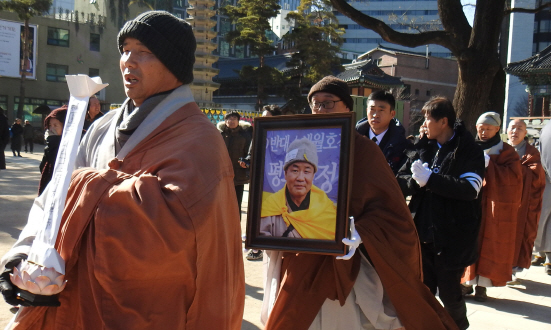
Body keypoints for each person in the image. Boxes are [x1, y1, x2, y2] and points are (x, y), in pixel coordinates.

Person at [0, 11, 244, 329]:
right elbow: (56, 197)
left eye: (145, 52)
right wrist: (24, 256)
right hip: (74, 298)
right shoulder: (102, 127)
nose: (129, 61)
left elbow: (168, 240)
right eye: (126, 49)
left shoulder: (200, 141)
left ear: (174, 64)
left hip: (151, 313)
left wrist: (86, 188)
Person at [261, 76, 458, 330]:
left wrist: (360, 232)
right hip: (301, 257)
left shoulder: (364, 150)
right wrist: (263, 228)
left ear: (347, 108)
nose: (320, 109)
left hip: (347, 261)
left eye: (328, 103)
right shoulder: (294, 142)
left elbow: (390, 210)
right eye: (315, 103)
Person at [396, 97, 484, 330]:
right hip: (422, 231)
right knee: (422, 291)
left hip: (452, 236)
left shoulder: (469, 149)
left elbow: (470, 189)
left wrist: (431, 180)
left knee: (450, 293)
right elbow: (400, 180)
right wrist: (415, 183)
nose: (423, 125)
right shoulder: (423, 145)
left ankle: (458, 327)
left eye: (427, 119)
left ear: (443, 121)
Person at [462, 112, 523, 302]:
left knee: (488, 245)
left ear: (497, 129)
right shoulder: (469, 147)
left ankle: (482, 287)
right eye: (481, 128)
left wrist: (493, 167)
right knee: (468, 242)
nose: (484, 132)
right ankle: (465, 283)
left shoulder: (506, 152)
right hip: (471, 204)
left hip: (494, 208)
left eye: (488, 128)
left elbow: (514, 178)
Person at [260, 138, 337, 239]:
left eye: (306, 171)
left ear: (313, 176)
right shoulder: (271, 207)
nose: (300, 178)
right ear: (285, 174)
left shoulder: (326, 209)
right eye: (295, 170)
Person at [506, 119, 546, 284]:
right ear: (506, 130)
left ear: (525, 133)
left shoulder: (531, 153)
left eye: (520, 128)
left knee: (517, 235)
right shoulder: (499, 148)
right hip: (500, 200)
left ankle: (511, 268)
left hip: (520, 203)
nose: (515, 131)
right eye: (513, 128)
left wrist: (516, 169)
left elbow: (537, 176)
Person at [245, 105, 281, 261]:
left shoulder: (283, 135)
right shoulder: (258, 134)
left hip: (275, 182)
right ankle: (256, 246)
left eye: (268, 116)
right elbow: (251, 154)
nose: (263, 118)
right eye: (262, 115)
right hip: (259, 179)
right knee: (256, 213)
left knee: (272, 214)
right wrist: (246, 161)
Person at [356, 90, 412, 175]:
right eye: (372, 109)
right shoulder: (354, 138)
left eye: (381, 110)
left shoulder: (401, 145)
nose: (375, 115)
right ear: (367, 110)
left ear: (392, 114)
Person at [217, 110, 252, 220]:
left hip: (238, 174)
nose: (231, 121)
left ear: (238, 121)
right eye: (229, 119)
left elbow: (249, 153)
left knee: (237, 204)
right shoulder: (219, 134)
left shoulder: (245, 135)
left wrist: (247, 162)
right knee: (221, 205)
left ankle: (236, 232)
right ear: (225, 121)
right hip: (221, 175)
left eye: (234, 119)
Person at [38, 107, 67, 195]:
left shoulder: (76, 142)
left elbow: (58, 166)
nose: (51, 129)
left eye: (55, 125)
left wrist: (53, 142)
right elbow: (43, 168)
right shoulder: (52, 142)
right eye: (50, 125)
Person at [534, 122, 551, 275]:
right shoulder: (547, 128)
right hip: (545, 178)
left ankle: (548, 257)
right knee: (541, 218)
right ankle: (540, 251)